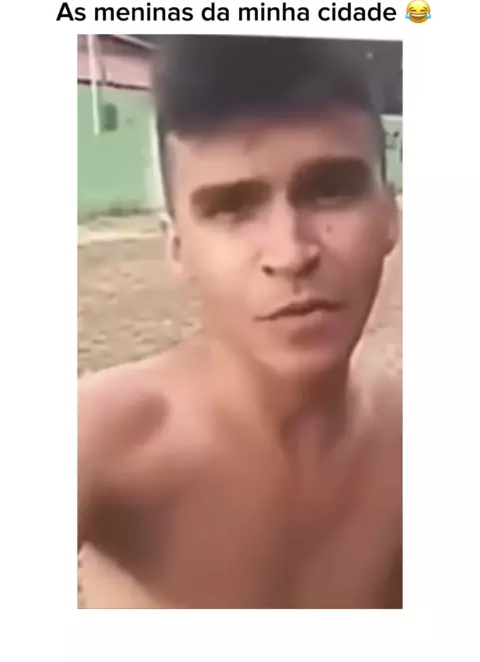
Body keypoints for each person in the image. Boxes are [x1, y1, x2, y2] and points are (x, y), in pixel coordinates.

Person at [78, 35, 402, 609]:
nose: (291, 253)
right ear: (179, 248)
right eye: (232, 208)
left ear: (389, 217)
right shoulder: (100, 440)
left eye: (330, 192)